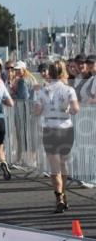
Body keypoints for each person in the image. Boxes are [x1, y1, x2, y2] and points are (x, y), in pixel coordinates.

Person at [32, 60, 80, 213]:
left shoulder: (43, 91)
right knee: (63, 164)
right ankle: (63, 194)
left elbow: (37, 111)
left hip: (50, 129)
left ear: (50, 73)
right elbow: (75, 109)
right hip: (66, 129)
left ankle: (59, 196)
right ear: (63, 72)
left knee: (54, 166)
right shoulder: (69, 90)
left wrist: (43, 108)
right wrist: (66, 109)